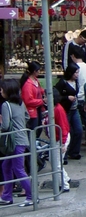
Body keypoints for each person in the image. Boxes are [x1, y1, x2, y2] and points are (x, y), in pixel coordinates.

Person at [0, 79, 34, 207]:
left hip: (14, 141)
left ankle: (31, 196)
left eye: (2, 89)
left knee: (18, 169)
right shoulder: (20, 103)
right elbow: (27, 117)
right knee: (6, 166)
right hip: (22, 139)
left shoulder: (6, 105)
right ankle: (7, 196)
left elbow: (5, 125)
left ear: (8, 90)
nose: (0, 91)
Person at [55, 63, 84, 161]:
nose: (77, 75)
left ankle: (74, 152)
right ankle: (64, 154)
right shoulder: (62, 82)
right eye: (76, 72)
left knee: (79, 130)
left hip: (74, 109)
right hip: (65, 110)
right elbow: (56, 96)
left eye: (78, 72)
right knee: (66, 132)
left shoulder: (76, 82)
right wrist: (67, 98)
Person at [19, 61, 46, 135]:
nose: (40, 71)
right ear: (35, 71)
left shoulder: (36, 80)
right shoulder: (28, 85)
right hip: (31, 112)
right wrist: (42, 101)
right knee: (33, 131)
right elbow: (28, 101)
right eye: (39, 70)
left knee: (38, 129)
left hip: (38, 109)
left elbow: (41, 90)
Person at [52, 89, 71, 192]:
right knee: (55, 160)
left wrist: (63, 144)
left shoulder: (57, 109)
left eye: (45, 96)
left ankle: (64, 184)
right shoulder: (56, 108)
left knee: (57, 163)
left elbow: (63, 127)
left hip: (60, 139)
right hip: (59, 138)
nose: (44, 99)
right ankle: (66, 178)